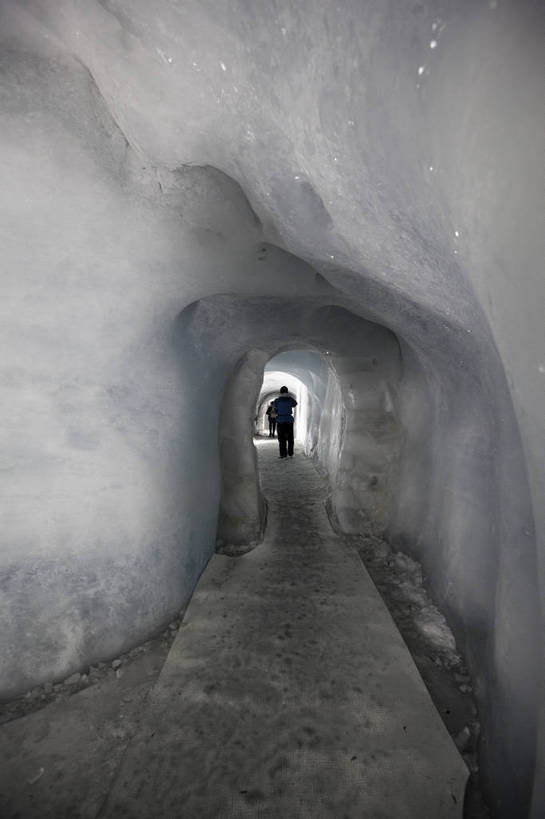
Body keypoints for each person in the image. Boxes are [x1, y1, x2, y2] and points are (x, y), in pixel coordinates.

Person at [273, 386, 297, 458]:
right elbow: (295, 404)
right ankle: (290, 453)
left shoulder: (277, 400)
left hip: (280, 420)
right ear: (287, 392)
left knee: (281, 438)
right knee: (290, 437)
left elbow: (274, 407)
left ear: (280, 392)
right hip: (289, 420)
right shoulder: (290, 399)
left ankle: (283, 454)